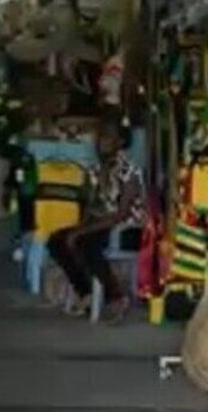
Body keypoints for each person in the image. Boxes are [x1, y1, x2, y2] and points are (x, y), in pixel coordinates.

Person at [47, 120, 144, 323]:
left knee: (85, 242)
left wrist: (81, 232)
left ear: (120, 142)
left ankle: (116, 297)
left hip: (125, 227)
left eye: (107, 137)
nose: (101, 142)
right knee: (57, 240)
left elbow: (121, 214)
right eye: (100, 137)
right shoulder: (95, 170)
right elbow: (90, 206)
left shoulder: (129, 170)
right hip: (100, 224)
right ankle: (86, 292)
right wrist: (79, 227)